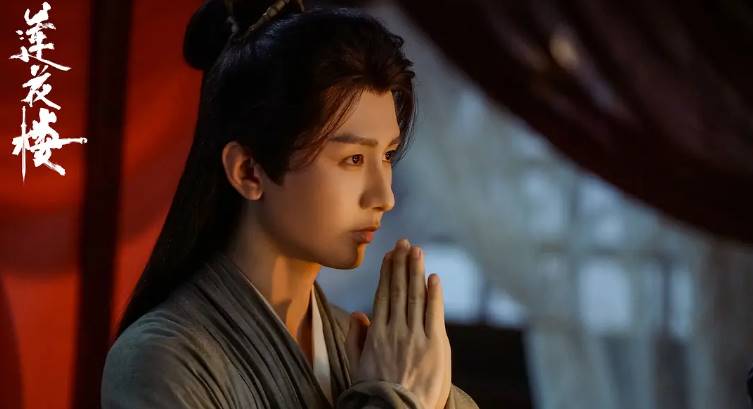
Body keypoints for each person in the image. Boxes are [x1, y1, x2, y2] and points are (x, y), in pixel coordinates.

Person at [101, 0, 479, 408]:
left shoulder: (368, 347)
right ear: (248, 171)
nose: (383, 197)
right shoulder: (161, 360)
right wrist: (395, 398)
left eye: (386, 156)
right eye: (353, 159)